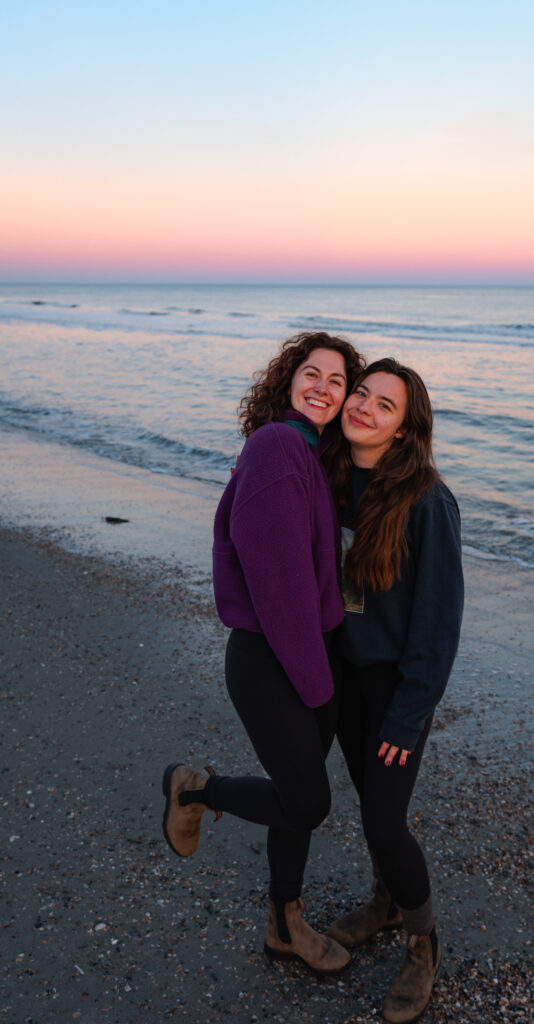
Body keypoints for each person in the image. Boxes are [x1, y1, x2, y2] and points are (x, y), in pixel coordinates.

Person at [161, 331, 364, 974]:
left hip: (311, 650)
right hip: (273, 657)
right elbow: (279, 584)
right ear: (287, 381)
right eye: (312, 373)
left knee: (292, 792)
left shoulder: (313, 454)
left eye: (338, 381)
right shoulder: (278, 445)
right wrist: (317, 683)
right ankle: (194, 789)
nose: (324, 389)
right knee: (307, 801)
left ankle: (285, 923)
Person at [326, 358, 464, 1023]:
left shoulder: (428, 501)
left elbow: (437, 627)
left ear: (405, 428)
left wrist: (408, 718)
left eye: (385, 405)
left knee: (385, 819)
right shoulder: (326, 476)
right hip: (340, 678)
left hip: (394, 686)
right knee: (365, 805)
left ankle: (422, 940)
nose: (363, 408)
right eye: (361, 393)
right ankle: (383, 902)